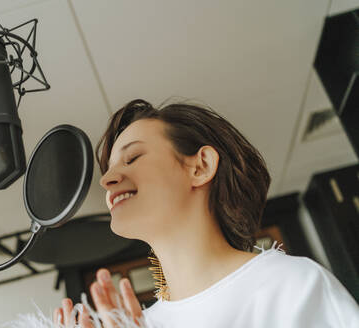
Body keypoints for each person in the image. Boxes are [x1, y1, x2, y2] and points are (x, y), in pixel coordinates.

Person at [52, 99, 359, 328]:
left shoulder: (291, 286)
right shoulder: (143, 324)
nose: (106, 181)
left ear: (200, 167)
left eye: (132, 158)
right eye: (108, 171)